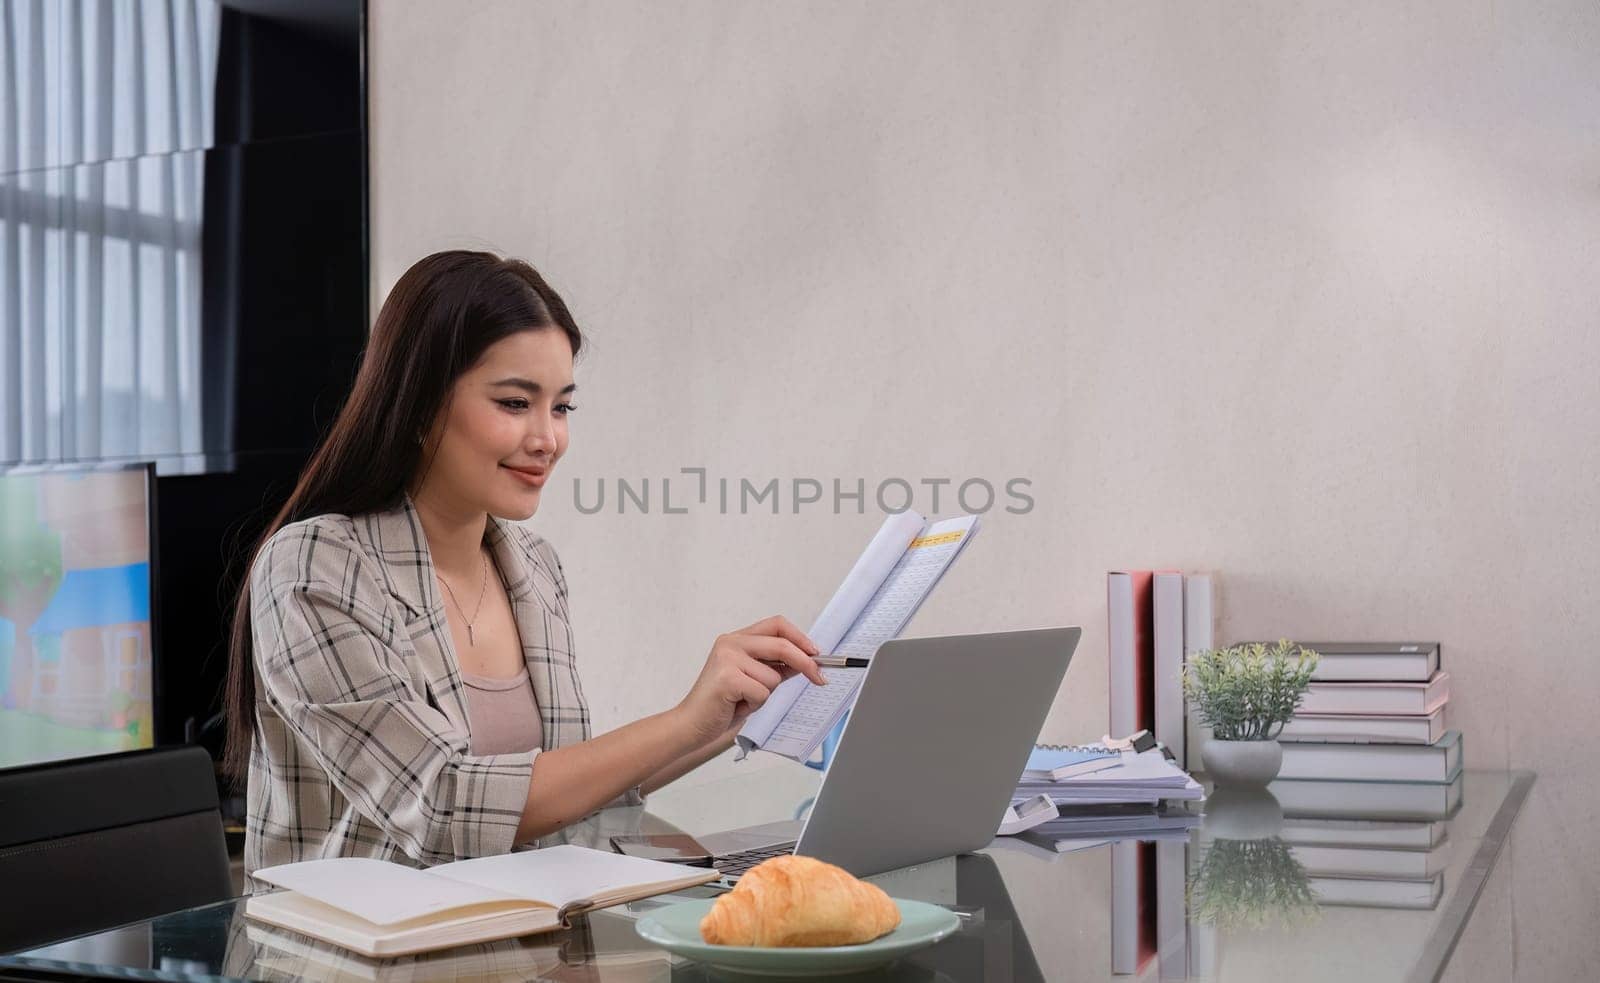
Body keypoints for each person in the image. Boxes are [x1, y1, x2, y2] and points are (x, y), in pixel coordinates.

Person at [223, 249, 826, 884]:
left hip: (525, 942)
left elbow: (561, 795)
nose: (548, 439)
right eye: (515, 403)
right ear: (421, 405)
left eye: (562, 407)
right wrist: (680, 721)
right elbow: (440, 806)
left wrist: (723, 717)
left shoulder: (534, 568)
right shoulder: (316, 566)